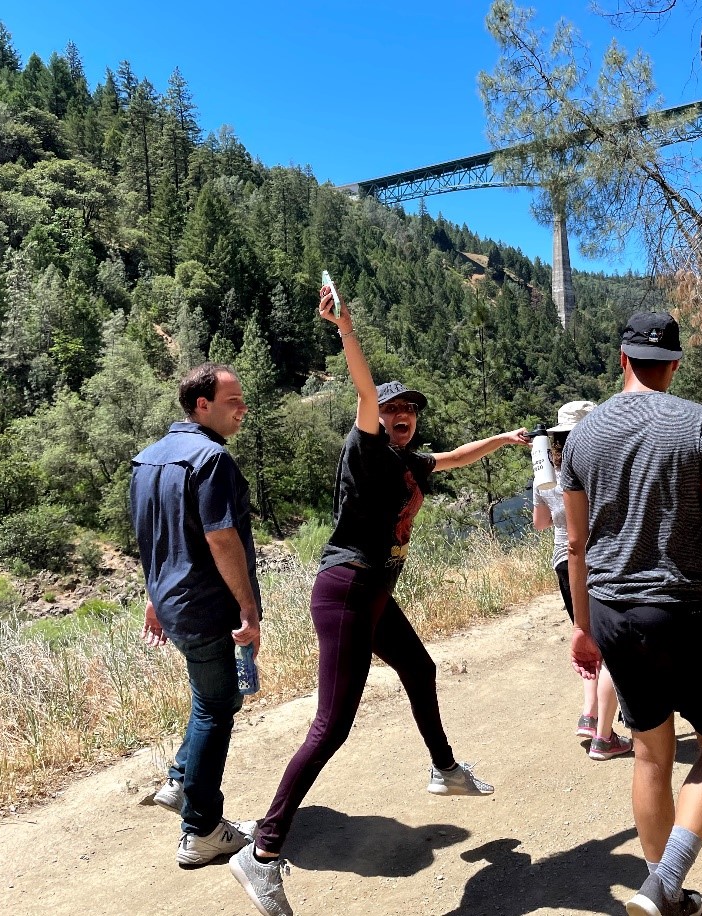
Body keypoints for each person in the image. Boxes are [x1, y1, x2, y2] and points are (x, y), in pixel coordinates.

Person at [229, 286, 528, 916]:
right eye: (393, 409)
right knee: (330, 726)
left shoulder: (410, 463)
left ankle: (444, 769)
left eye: (409, 412)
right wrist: (346, 328)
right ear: (376, 415)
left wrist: (502, 440)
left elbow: (451, 457)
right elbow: (364, 391)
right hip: (347, 590)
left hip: (374, 596)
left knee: (419, 667)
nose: (401, 417)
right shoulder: (365, 451)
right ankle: (261, 853)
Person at [560, 312, 702, 916]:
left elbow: (575, 546)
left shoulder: (581, 437)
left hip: (611, 611)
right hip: (684, 609)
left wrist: (582, 626)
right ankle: (663, 882)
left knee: (652, 752)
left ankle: (668, 897)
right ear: (675, 365)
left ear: (621, 359)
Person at [130, 363, 261, 867]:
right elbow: (219, 537)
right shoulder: (211, 461)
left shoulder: (148, 460)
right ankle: (202, 829)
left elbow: (153, 538)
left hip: (174, 603)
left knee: (213, 697)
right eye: (233, 401)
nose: (242, 409)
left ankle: (181, 782)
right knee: (217, 704)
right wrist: (248, 608)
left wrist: (153, 596)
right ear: (201, 405)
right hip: (210, 608)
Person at [533, 399, 632, 761]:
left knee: (586, 636)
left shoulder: (545, 472)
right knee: (610, 647)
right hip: (600, 561)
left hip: (563, 563)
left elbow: (540, 523)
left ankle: (589, 712)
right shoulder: (601, 465)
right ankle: (603, 737)